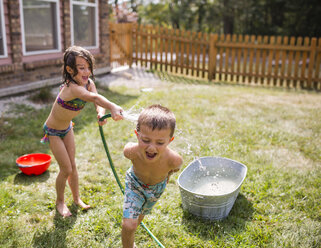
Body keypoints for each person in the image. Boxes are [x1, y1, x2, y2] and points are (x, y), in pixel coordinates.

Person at [41, 46, 123, 217]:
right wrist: (113, 106)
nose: (87, 71)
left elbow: (96, 100)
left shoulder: (89, 83)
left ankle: (76, 198)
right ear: (70, 70)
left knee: (73, 166)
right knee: (66, 169)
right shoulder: (72, 88)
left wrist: (100, 112)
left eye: (88, 67)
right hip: (54, 131)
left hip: (67, 128)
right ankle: (60, 202)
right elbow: (93, 97)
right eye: (81, 68)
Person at [122, 104, 183, 248]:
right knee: (129, 225)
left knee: (138, 219)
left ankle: (132, 233)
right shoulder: (131, 151)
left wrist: (167, 175)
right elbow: (127, 152)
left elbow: (174, 169)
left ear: (170, 141)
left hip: (156, 190)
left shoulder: (174, 160)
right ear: (137, 135)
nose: (151, 148)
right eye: (145, 140)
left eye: (160, 142)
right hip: (135, 184)